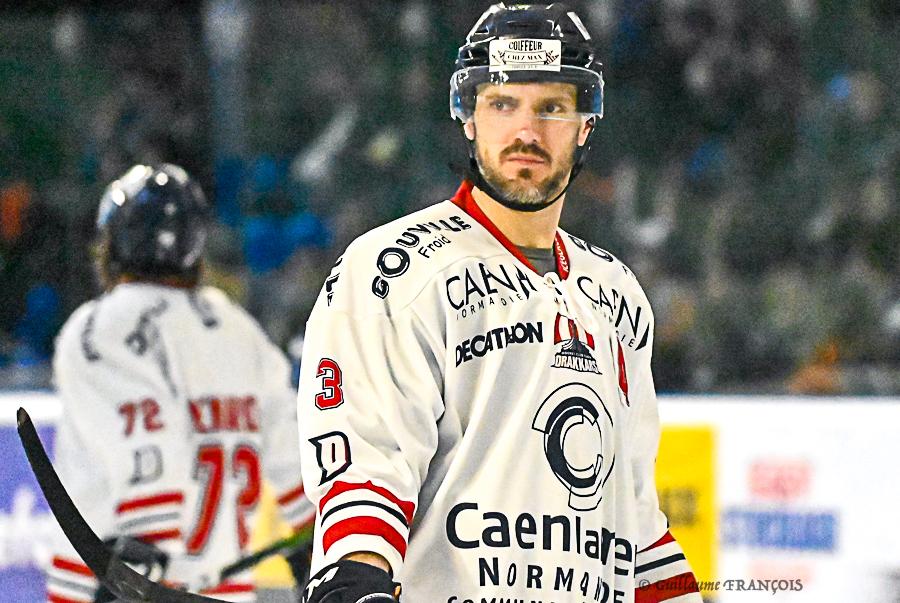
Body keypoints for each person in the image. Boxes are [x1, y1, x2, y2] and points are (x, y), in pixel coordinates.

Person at [297, 4, 703, 602]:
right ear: (469, 117)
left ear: (585, 125)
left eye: (552, 108)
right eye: (503, 104)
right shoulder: (395, 270)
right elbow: (365, 472)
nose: (527, 133)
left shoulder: (617, 295)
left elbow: (636, 520)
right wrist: (355, 581)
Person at [45, 164, 315, 603]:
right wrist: (316, 540)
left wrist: (142, 577)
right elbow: (297, 458)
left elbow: (150, 461)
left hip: (123, 586)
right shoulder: (237, 328)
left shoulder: (99, 327)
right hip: (225, 594)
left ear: (114, 243)